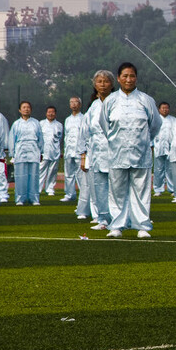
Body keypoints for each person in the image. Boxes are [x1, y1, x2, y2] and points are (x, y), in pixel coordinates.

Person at [101, 62, 162, 238]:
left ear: (136, 78)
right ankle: (117, 226)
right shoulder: (110, 101)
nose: (129, 79)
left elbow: (155, 124)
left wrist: (143, 141)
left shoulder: (146, 100)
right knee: (117, 190)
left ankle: (142, 225)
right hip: (117, 153)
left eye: (132, 76)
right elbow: (105, 125)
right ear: (118, 78)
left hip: (141, 153)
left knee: (141, 190)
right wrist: (116, 141)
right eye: (125, 76)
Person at [79, 72, 115, 230]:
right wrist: (83, 155)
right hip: (96, 153)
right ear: (95, 85)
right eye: (99, 81)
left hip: (115, 152)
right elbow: (84, 131)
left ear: (112, 84)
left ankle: (120, 219)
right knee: (99, 188)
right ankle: (103, 219)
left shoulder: (117, 102)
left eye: (106, 81)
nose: (102, 84)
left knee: (117, 188)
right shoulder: (93, 107)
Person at [9, 101, 44, 205]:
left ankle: (34, 199)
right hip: (20, 152)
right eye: (24, 107)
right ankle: (20, 199)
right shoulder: (16, 124)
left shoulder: (36, 123)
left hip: (34, 152)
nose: (26, 109)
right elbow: (12, 139)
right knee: (20, 177)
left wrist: (41, 152)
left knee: (34, 176)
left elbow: (40, 138)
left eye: (28, 107)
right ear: (20, 110)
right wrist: (12, 154)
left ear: (31, 109)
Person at [62, 96, 88, 205]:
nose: (73, 104)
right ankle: (69, 194)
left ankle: (84, 195)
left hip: (79, 151)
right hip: (69, 151)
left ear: (80, 104)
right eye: (71, 102)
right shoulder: (67, 120)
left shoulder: (84, 118)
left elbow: (85, 135)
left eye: (76, 102)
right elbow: (66, 136)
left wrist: (85, 152)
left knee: (81, 175)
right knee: (68, 174)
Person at [151, 101, 176, 197]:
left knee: (170, 169)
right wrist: (152, 145)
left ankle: (172, 188)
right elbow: (152, 132)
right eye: (163, 108)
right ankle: (158, 188)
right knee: (158, 169)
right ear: (159, 109)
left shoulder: (173, 120)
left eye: (167, 108)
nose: (165, 110)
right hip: (158, 147)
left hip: (170, 148)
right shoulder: (155, 120)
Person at [38, 105, 63, 197]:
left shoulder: (59, 125)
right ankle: (38, 188)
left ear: (55, 113)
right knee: (41, 170)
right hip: (43, 152)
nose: (50, 114)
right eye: (49, 112)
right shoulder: (41, 124)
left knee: (53, 171)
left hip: (54, 152)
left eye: (52, 112)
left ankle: (50, 188)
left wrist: (59, 151)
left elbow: (59, 139)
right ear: (46, 113)